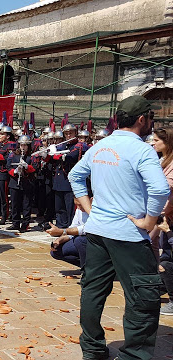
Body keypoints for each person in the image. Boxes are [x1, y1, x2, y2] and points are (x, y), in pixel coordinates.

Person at [68, 95, 168, 360]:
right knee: (142, 296)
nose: (152, 124)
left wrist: (90, 208)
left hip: (98, 232)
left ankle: (91, 348)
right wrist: (149, 220)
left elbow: (75, 175)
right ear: (141, 120)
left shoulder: (101, 146)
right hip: (128, 235)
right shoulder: (142, 149)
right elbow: (159, 189)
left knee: (93, 290)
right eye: (151, 119)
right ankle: (134, 355)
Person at [6, 135, 37, 232]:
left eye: (25, 145)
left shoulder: (32, 156)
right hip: (15, 182)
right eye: (21, 145)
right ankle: (15, 223)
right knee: (15, 204)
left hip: (27, 183)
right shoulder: (13, 155)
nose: (23, 147)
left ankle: (25, 224)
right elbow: (8, 167)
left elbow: (35, 168)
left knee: (26, 205)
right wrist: (15, 171)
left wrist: (27, 167)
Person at [47, 198, 89, 268]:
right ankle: (86, 265)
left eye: (80, 205)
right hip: (80, 239)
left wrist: (61, 231)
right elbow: (73, 227)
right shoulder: (79, 210)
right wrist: (59, 240)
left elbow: (86, 229)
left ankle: (87, 270)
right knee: (56, 251)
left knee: (79, 240)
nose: (78, 208)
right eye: (77, 205)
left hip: (94, 240)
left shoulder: (98, 210)